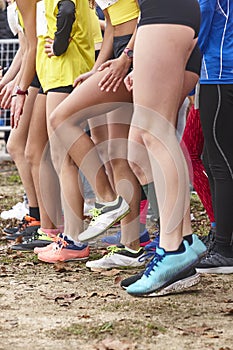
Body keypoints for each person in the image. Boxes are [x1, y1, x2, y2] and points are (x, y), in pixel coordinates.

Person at [123, 0, 207, 296]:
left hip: (165, 14)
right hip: (163, 15)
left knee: (154, 134)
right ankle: (182, 240)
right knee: (146, 141)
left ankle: (171, 249)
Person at [195, 0, 233, 273]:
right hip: (220, 72)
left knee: (220, 163)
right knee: (212, 158)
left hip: (218, 72)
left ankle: (224, 248)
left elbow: (202, 21)